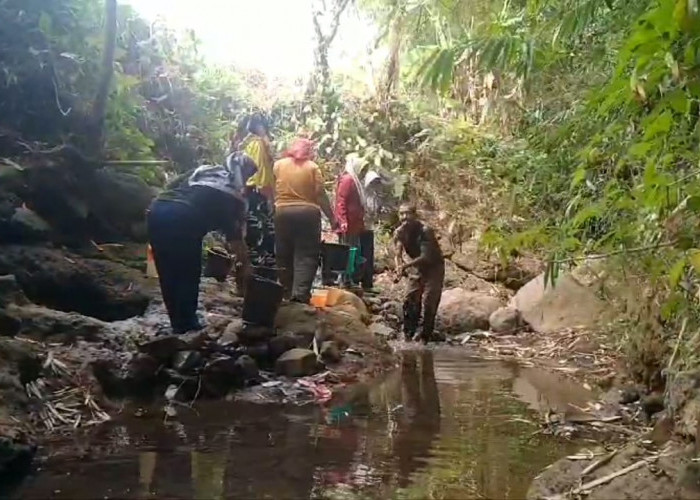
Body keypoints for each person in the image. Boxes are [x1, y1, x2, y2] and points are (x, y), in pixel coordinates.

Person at [147, 153, 256, 334]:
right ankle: (187, 326)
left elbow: (170, 187)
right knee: (187, 272)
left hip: (156, 211)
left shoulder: (203, 171)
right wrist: (247, 268)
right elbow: (236, 240)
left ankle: (177, 323)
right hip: (184, 217)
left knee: (167, 272)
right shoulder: (231, 195)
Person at [274, 138, 338, 303]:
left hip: (282, 211)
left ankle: (286, 292)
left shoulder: (279, 165)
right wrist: (332, 218)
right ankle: (300, 295)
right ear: (308, 151)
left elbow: (271, 187)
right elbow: (320, 194)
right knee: (307, 254)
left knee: (284, 253)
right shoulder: (312, 167)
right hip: (308, 214)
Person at [393, 203, 445, 342]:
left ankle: (425, 337)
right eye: (401, 214)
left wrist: (405, 266)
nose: (404, 217)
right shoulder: (399, 232)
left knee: (429, 302)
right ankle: (408, 334)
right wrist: (398, 268)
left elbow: (426, 256)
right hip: (416, 267)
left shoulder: (425, 230)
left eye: (408, 213)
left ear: (415, 216)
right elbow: (398, 253)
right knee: (410, 299)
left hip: (434, 267)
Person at [238, 114, 276, 269]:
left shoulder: (247, 144)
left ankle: (252, 270)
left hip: (250, 192)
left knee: (254, 232)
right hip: (257, 193)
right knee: (260, 234)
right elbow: (259, 172)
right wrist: (267, 195)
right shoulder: (258, 144)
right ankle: (258, 271)